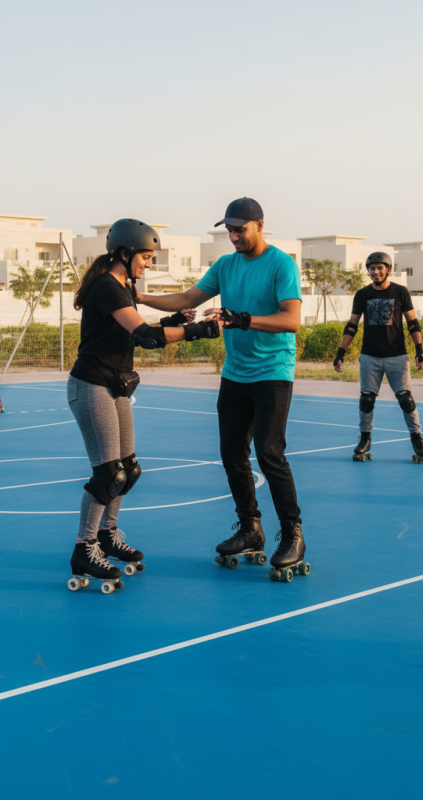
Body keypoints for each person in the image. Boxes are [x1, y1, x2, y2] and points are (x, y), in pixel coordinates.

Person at [134, 198, 307, 581]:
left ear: (259, 225)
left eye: (239, 229)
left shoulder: (282, 264)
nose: (233, 236)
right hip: (235, 374)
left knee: (269, 452)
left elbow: (291, 320)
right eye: (228, 230)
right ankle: (251, 528)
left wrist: (242, 319)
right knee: (232, 454)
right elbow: (187, 299)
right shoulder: (226, 264)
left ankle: (293, 534)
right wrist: (142, 298)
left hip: (273, 372)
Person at [67, 218, 220, 593]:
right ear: (125, 253)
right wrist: (196, 330)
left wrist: (174, 319)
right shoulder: (107, 286)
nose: (149, 265)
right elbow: (147, 337)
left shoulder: (123, 285)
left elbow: (130, 333)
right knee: (108, 475)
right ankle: (84, 548)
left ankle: (107, 536)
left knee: (129, 471)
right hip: (91, 386)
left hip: (114, 385)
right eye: (146, 258)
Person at [334, 252, 423, 463]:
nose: (375, 272)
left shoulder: (400, 292)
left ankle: (417, 439)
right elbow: (352, 326)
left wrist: (419, 350)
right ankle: (365, 439)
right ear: (368, 271)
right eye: (372, 268)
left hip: (397, 355)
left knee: (406, 399)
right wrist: (341, 353)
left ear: (388, 269)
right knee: (366, 399)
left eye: (380, 268)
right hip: (370, 356)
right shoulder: (362, 294)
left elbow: (413, 323)